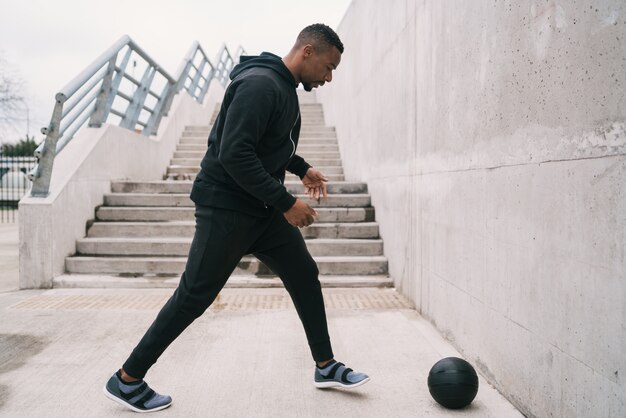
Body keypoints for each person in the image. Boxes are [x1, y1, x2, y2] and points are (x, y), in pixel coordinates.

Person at [104, 23, 369, 413]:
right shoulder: (261, 85)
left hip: (258, 210)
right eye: (328, 67)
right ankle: (127, 379)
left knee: (302, 274)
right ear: (307, 52)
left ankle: (325, 365)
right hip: (227, 207)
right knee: (194, 296)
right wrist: (285, 202)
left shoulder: (281, 87)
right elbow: (234, 153)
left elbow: (267, 144)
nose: (329, 77)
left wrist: (300, 167)